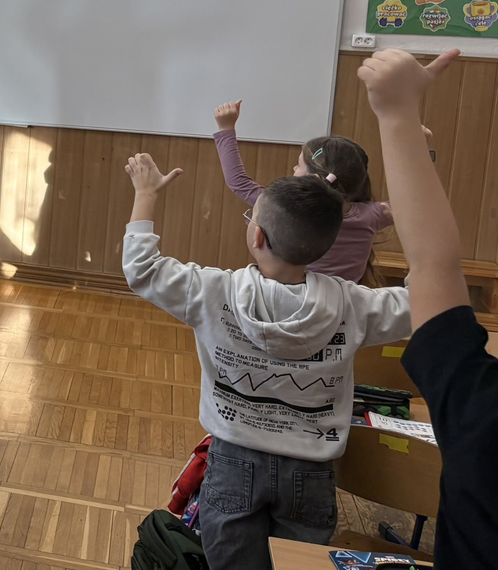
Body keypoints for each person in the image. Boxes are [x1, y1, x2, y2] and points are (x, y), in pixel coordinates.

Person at [121, 155, 411, 570]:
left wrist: (145, 194)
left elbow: (142, 269)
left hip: (233, 459)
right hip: (312, 469)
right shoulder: (353, 305)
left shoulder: (213, 291)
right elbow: (424, 299)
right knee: (296, 565)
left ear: (256, 235)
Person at [358, 48, 498, 568]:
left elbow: (433, 266)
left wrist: (397, 117)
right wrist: (410, 135)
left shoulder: (482, 412)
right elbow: (430, 265)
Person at [213, 99, 393, 282]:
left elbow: (238, 182)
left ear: (313, 178)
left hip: (293, 295)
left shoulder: (283, 205)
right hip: (348, 297)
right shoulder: (373, 215)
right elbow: (409, 206)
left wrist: (226, 128)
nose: (294, 168)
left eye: (299, 165)